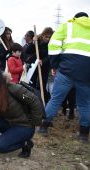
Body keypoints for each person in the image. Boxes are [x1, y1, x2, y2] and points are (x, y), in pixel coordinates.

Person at [38, 12, 90, 142]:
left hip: (66, 70)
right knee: (84, 103)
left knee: (55, 99)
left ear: (75, 18)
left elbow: (53, 45)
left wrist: (55, 65)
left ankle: (43, 127)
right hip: (86, 73)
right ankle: (84, 134)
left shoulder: (67, 25)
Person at [25, 27, 54, 103]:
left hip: (44, 66)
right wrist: (33, 42)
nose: (47, 39)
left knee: (42, 85)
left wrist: (43, 61)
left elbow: (50, 55)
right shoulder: (37, 41)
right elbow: (28, 51)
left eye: (49, 37)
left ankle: (43, 102)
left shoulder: (51, 44)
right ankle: (31, 102)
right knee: (32, 84)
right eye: (46, 36)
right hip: (34, 65)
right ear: (43, 35)